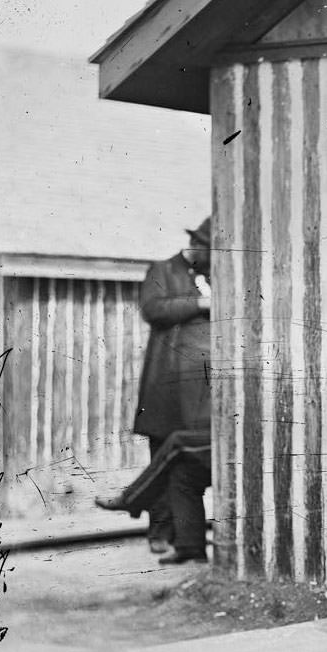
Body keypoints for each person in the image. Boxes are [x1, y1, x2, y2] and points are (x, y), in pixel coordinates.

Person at [95, 217, 212, 565]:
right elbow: (153, 309)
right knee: (163, 454)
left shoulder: (213, 276)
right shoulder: (163, 270)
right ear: (197, 245)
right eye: (210, 250)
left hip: (199, 391)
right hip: (167, 386)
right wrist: (201, 305)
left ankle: (186, 541)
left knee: (182, 467)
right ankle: (160, 533)